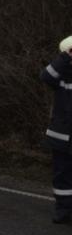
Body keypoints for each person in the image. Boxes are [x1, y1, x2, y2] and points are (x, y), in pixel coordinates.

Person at [41, 35, 72, 224]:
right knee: (62, 175)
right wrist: (65, 58)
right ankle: (63, 209)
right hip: (61, 137)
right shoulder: (62, 73)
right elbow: (46, 76)